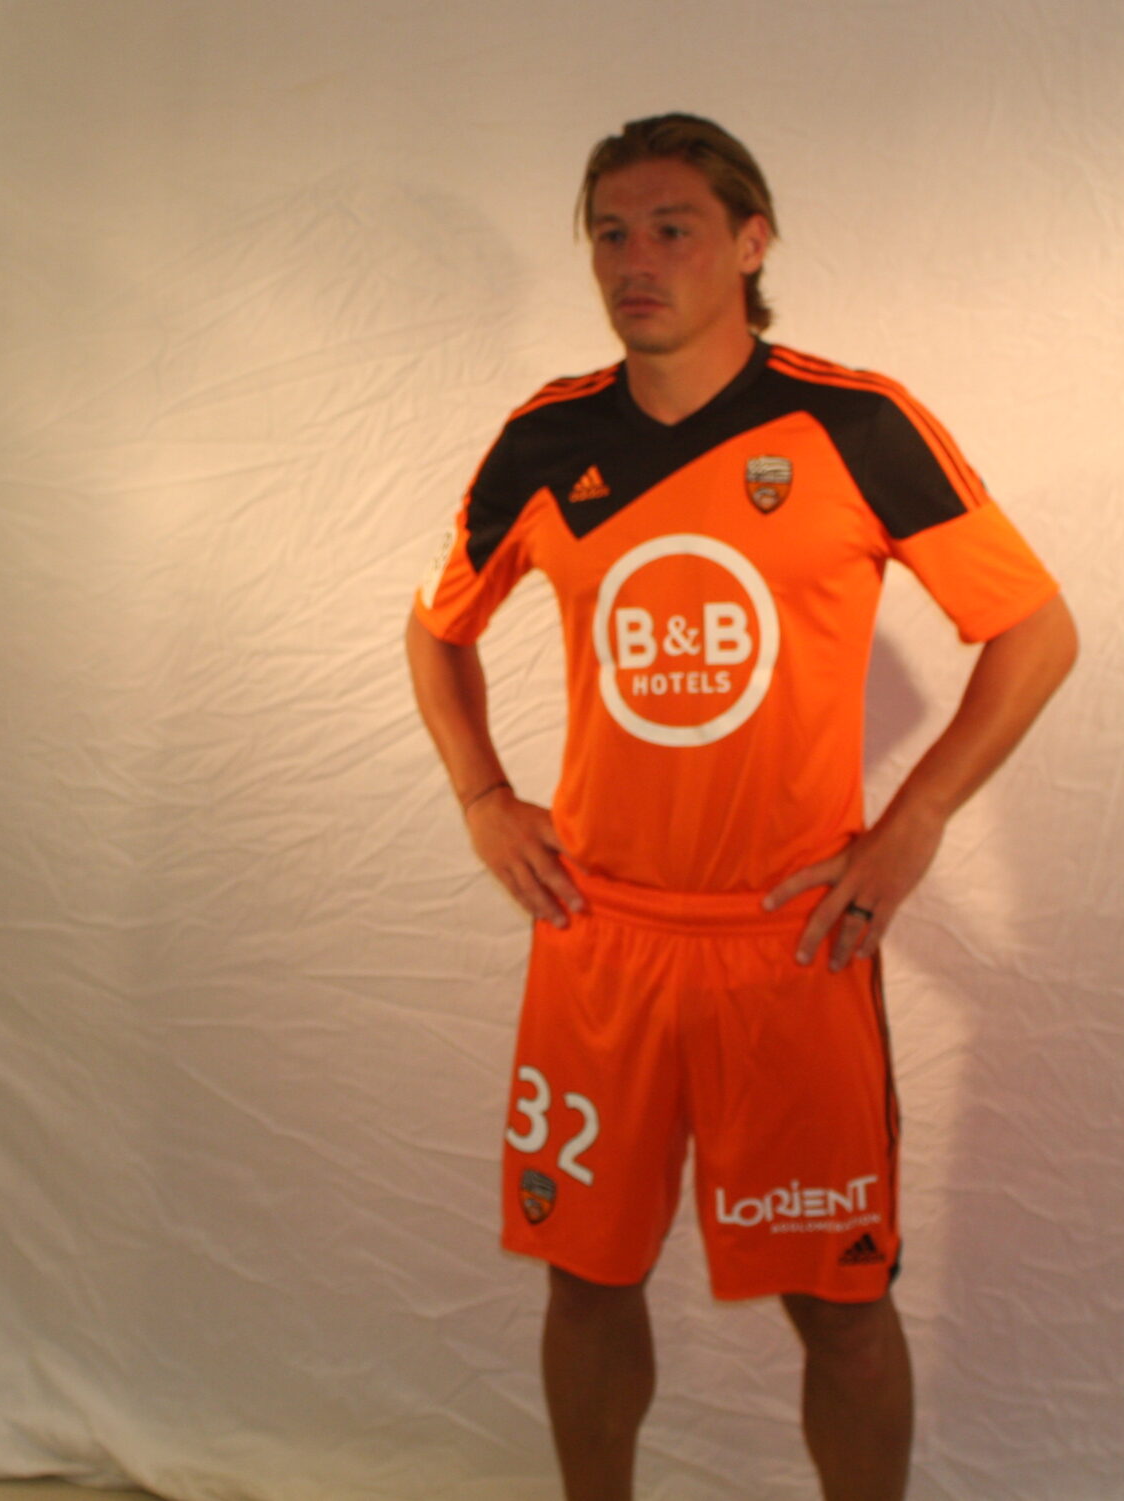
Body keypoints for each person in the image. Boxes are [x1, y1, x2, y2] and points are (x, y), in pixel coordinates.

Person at [407, 113, 1078, 1501]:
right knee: (586, 1281)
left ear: (749, 242)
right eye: (609, 231)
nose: (635, 259)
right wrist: (482, 791)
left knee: (837, 1302)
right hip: (600, 935)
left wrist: (918, 819)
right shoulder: (548, 439)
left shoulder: (850, 423)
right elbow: (436, 627)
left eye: (673, 229)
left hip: (792, 944)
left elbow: (1033, 630)